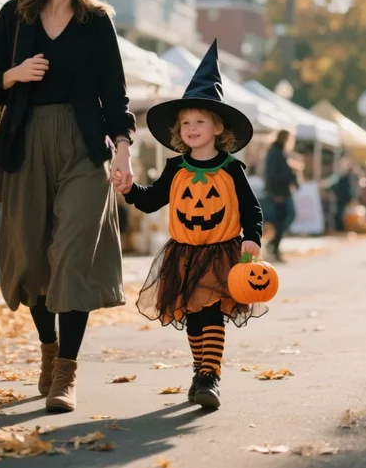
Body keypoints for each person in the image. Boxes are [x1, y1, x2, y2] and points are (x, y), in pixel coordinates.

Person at [0, 0, 135, 413]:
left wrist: (124, 149)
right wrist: (15, 74)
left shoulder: (97, 22)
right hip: (26, 146)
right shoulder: (15, 16)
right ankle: (48, 349)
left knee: (73, 253)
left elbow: (116, 92)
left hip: (85, 149)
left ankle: (65, 372)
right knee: (32, 258)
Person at [119, 41, 265, 411]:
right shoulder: (176, 167)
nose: (192, 128)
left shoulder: (232, 168)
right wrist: (129, 190)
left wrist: (253, 238)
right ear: (178, 130)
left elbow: (251, 208)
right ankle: (200, 369)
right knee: (192, 316)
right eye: (186, 123)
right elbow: (153, 199)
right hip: (183, 252)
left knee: (211, 310)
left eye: (200, 121)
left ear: (218, 127)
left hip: (221, 251)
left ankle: (210, 376)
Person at [264, 129, 298, 262]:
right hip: (278, 192)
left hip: (283, 191)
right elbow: (272, 174)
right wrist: (290, 172)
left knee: (286, 218)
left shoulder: (280, 152)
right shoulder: (275, 152)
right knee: (283, 219)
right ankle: (273, 246)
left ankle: (274, 245)